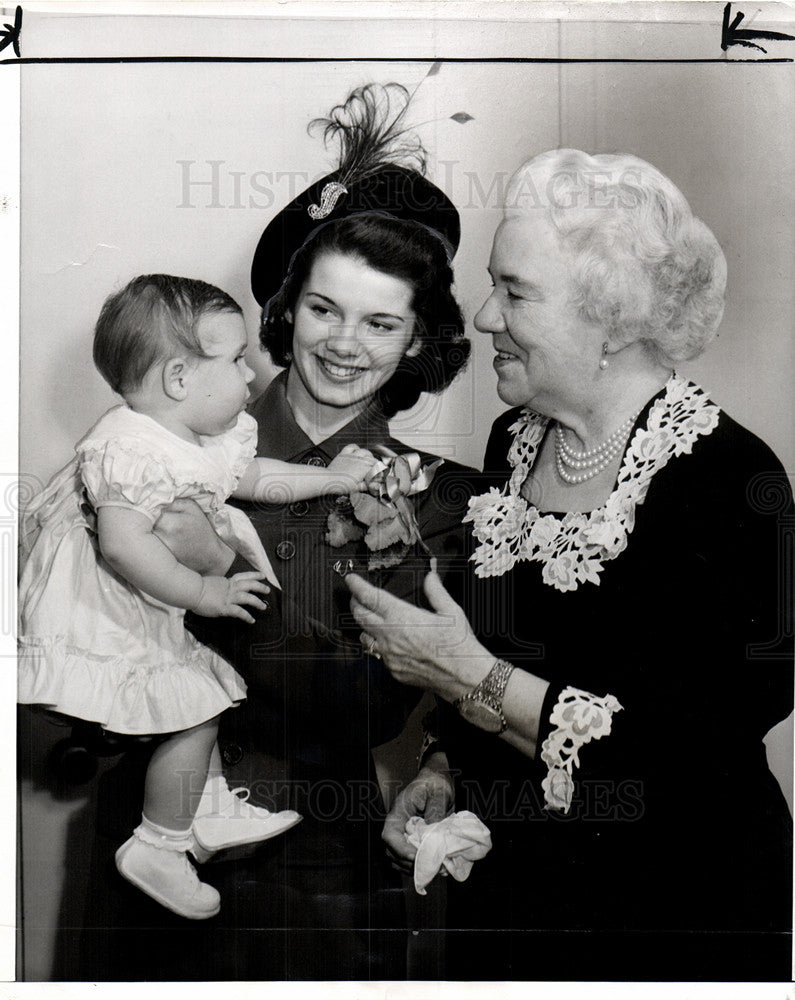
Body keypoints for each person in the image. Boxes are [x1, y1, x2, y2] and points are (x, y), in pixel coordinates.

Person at [347, 149, 794, 981]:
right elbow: (518, 648)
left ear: (615, 320)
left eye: (514, 292)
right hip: (515, 892)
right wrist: (444, 764)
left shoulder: (729, 478)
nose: (483, 317)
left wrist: (465, 674)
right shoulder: (514, 443)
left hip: (671, 910)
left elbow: (695, 749)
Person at [72, 84, 474, 980]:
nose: (343, 343)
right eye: (325, 309)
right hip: (144, 843)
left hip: (318, 865)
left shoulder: (443, 498)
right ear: (286, 308)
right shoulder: (156, 437)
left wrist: (216, 566)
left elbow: (363, 709)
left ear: (415, 341)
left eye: (381, 322)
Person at [18, 273, 379, 921]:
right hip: (115, 610)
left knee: (201, 694)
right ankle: (160, 843)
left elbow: (254, 476)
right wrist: (204, 589)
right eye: (236, 359)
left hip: (153, 601)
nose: (251, 373)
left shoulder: (197, 437)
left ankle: (200, 804)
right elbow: (124, 547)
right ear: (180, 379)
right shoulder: (127, 446)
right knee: (196, 701)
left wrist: (327, 477)